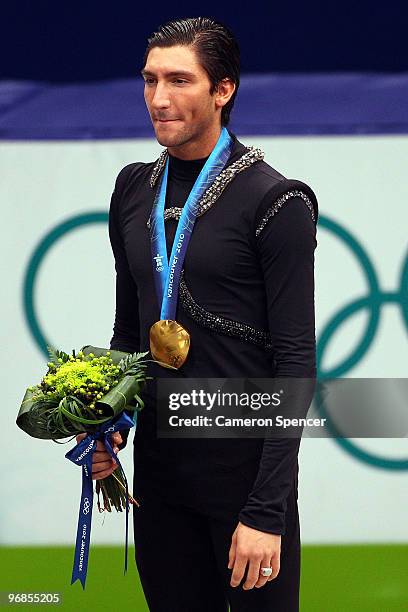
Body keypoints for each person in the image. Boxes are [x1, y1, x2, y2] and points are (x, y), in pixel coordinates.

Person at [78, 16, 318, 612]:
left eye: (179, 80)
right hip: (161, 487)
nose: (159, 98)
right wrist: (109, 422)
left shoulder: (277, 200)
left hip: (244, 485)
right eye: (150, 80)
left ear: (223, 89)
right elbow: (129, 334)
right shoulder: (132, 189)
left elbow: (295, 361)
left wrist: (266, 512)